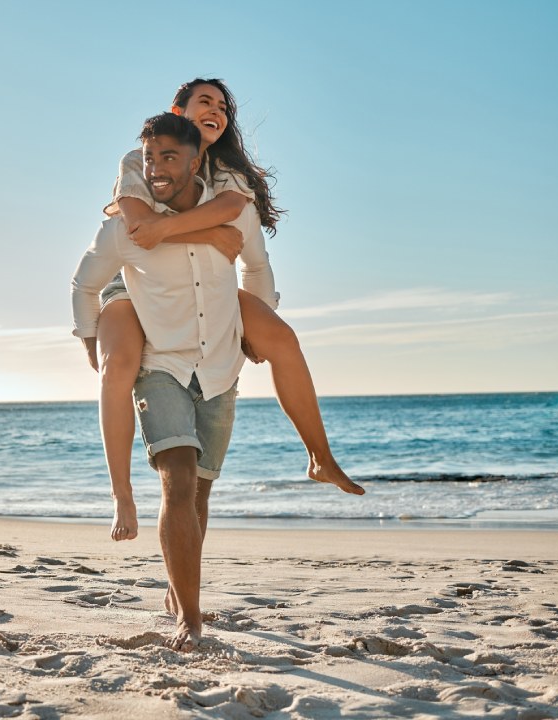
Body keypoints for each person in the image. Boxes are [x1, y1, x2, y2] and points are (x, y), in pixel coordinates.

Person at [93, 79, 363, 544]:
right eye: (205, 102)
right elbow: (140, 227)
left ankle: (320, 457)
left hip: (207, 288)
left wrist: (257, 320)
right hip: (138, 281)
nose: (216, 110)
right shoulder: (141, 159)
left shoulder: (229, 175)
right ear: (177, 110)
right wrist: (208, 232)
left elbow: (249, 249)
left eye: (223, 106)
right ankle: (122, 496)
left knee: (282, 339)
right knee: (117, 365)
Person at [71, 112, 244, 651]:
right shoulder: (125, 228)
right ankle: (190, 619)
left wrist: (255, 327)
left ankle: (178, 588)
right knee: (179, 479)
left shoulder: (227, 215)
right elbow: (84, 284)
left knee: (200, 493)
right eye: (150, 159)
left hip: (217, 368)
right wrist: (89, 341)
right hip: (160, 366)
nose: (157, 169)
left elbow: (258, 269)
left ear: (196, 162)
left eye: (169, 157)